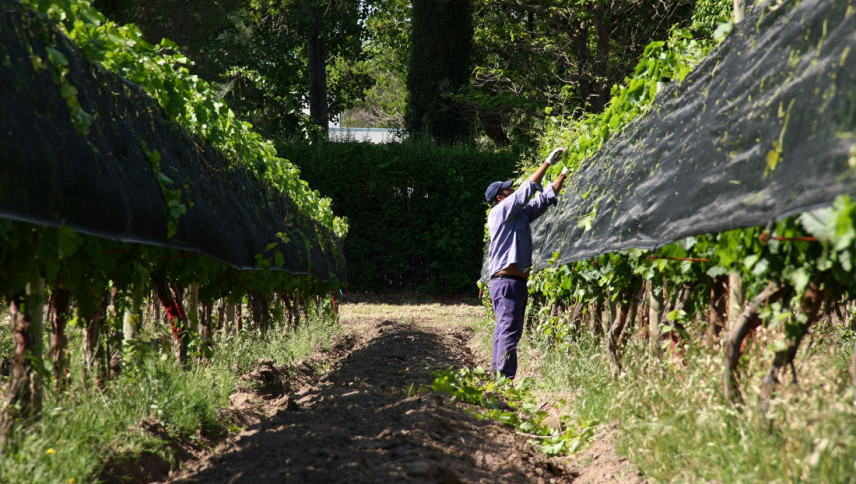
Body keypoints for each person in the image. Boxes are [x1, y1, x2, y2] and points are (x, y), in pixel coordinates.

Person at [484, 148, 568, 379]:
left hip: (513, 283)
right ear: (500, 197)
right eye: (507, 188)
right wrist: (547, 163)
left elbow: (542, 198)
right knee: (509, 331)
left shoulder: (517, 215)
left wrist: (563, 174)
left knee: (506, 330)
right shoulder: (500, 212)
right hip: (507, 283)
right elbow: (527, 190)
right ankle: (503, 379)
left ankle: (498, 377)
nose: (512, 189)